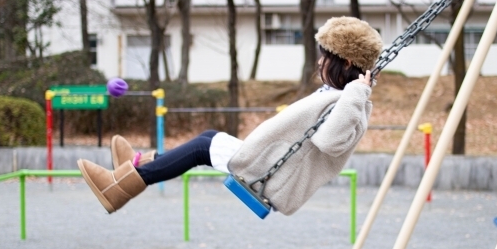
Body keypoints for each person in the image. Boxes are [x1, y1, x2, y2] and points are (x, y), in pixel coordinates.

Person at [77, 16, 383, 215]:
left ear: (345, 61)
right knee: (208, 139)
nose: (319, 62)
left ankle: (120, 187)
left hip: (274, 178)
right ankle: (140, 165)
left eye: (325, 56)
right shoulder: (344, 99)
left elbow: (330, 141)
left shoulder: (352, 103)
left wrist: (357, 91)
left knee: (201, 147)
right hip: (272, 167)